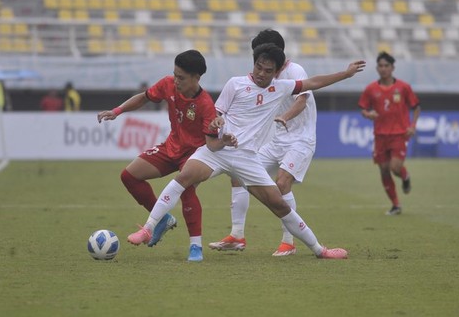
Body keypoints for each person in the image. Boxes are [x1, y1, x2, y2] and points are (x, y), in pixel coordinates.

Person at [126, 43, 365, 260]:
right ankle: (148, 228)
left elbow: (313, 83)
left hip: (248, 158)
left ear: (277, 71)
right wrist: (218, 125)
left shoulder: (282, 88)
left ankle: (319, 250)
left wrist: (345, 73)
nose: (261, 73)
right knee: (184, 178)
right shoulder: (235, 84)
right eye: (258, 67)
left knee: (279, 205)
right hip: (219, 150)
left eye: (268, 70)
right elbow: (215, 114)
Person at [97, 50, 216, 262]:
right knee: (129, 176)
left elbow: (211, 142)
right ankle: (162, 218)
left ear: (196, 77)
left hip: (195, 155)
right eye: (175, 74)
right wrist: (117, 111)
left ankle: (195, 247)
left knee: (187, 191)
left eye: (181, 77)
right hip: (171, 147)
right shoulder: (167, 84)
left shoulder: (206, 105)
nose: (176, 81)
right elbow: (144, 98)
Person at [209, 29, 317, 257]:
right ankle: (237, 235)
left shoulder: (294, 70)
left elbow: (302, 101)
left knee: (282, 183)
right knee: (237, 174)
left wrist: (284, 117)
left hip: (300, 139)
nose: (261, 62)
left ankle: (289, 242)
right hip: (275, 139)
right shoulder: (263, 74)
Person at [358, 51, 420, 215]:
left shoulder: (403, 87)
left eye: (386, 66)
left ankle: (405, 176)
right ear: (377, 68)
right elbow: (363, 108)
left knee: (395, 167)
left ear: (393, 68)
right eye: (380, 66)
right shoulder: (371, 89)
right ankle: (396, 205)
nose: (383, 68)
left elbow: (416, 107)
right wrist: (368, 114)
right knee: (384, 169)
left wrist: (413, 126)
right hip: (380, 135)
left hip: (399, 134)